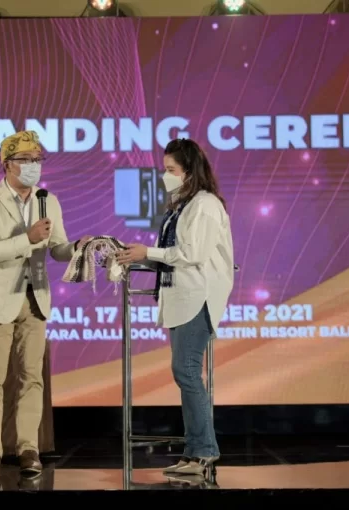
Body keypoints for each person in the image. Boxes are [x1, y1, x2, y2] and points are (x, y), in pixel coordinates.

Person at [0, 130, 92, 479]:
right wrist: (27, 238)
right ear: (8, 164)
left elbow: (56, 247)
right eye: (26, 160)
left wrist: (76, 247)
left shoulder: (47, 200)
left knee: (31, 377)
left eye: (38, 160)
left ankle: (28, 448)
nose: (33, 166)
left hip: (35, 298)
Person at [116, 138, 234, 476]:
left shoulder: (205, 205)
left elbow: (193, 254)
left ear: (189, 171)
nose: (165, 176)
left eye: (171, 170)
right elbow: (170, 253)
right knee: (185, 372)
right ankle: (194, 451)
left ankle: (204, 451)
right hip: (181, 295)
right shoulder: (182, 205)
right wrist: (135, 256)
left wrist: (148, 253)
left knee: (187, 371)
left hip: (198, 296)